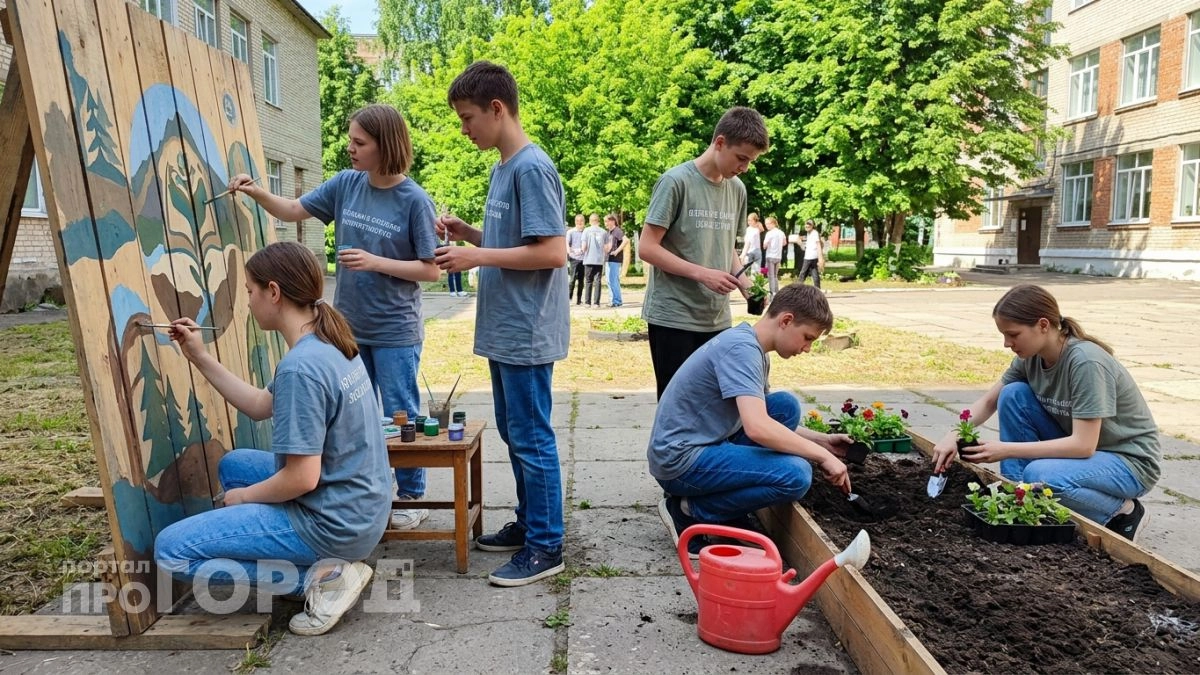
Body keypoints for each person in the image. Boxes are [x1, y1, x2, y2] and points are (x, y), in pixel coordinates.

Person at [154, 241, 391, 636]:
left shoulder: (302, 368)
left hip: (334, 522)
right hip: (361, 506)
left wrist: (241, 498)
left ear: (274, 292)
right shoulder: (328, 339)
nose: (248, 301)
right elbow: (261, 405)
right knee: (234, 465)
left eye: (250, 291)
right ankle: (318, 569)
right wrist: (198, 355)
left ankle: (322, 580)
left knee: (171, 551)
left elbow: (301, 479)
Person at [227, 104, 439, 533]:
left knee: (400, 413)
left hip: (396, 328)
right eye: (351, 140)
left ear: (387, 145)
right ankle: (370, 491)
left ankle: (412, 496)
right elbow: (291, 210)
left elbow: (432, 269)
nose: (351, 149)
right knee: (359, 417)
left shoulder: (414, 200)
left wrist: (376, 262)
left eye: (360, 143)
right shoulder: (346, 185)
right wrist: (256, 193)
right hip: (349, 326)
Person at [434, 60, 569, 586]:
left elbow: (553, 252)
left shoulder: (532, 168)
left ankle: (546, 545)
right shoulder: (502, 166)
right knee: (516, 433)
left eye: (468, 118)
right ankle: (531, 524)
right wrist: (470, 232)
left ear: (497, 109)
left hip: (527, 331)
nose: (464, 129)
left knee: (532, 438)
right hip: (505, 328)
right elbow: (515, 242)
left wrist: (477, 258)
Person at [931, 284, 1160, 541]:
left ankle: (1123, 512)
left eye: (1013, 334)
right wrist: (953, 434)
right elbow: (987, 403)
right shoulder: (1030, 357)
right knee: (1013, 394)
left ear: (1043, 325)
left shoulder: (1085, 362)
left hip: (1128, 462)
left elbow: (1083, 446)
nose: (1007, 343)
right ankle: (1020, 497)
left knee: (1040, 475)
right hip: (1087, 449)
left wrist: (1005, 449)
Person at [650, 284, 851, 556]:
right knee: (796, 474)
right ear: (786, 320)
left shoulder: (752, 346)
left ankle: (724, 513)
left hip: (702, 443)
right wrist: (821, 457)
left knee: (784, 406)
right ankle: (688, 511)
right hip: (680, 461)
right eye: (808, 338)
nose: (807, 348)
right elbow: (757, 428)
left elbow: (765, 418)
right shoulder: (741, 350)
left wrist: (824, 442)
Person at [639, 106, 770, 399]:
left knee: (713, 405)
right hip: (673, 317)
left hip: (717, 319)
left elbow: (728, 250)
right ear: (720, 143)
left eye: (751, 161)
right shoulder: (676, 182)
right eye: (741, 158)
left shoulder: (737, 189)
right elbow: (646, 247)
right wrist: (702, 274)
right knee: (678, 406)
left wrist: (748, 287)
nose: (745, 167)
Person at [581, 213, 607, 307]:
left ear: (590, 221)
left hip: (588, 259)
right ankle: (596, 303)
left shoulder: (586, 231)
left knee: (588, 281)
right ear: (598, 221)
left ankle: (587, 302)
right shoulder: (604, 232)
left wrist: (581, 251)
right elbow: (606, 248)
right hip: (599, 260)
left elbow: (584, 247)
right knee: (598, 281)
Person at [603, 213, 626, 307]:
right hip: (608, 259)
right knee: (609, 280)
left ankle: (617, 301)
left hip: (615, 260)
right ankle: (612, 300)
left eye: (606, 221)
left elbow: (626, 240)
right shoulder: (609, 232)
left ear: (612, 221)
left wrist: (617, 251)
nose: (605, 223)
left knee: (613, 280)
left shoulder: (617, 231)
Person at [762, 216, 786, 299]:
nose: (766, 226)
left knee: (771, 276)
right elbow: (784, 243)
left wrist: (767, 245)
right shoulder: (781, 233)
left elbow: (764, 246)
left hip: (770, 256)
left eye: (768, 224)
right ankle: (777, 292)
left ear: (773, 224)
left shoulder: (769, 233)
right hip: (778, 256)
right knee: (775, 275)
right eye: (766, 224)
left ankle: (772, 293)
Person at [567, 214, 586, 305]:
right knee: (572, 279)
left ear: (584, 222)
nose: (579, 222)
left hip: (584, 259)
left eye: (581, 221)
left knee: (581, 280)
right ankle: (569, 298)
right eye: (577, 221)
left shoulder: (586, 232)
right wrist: (571, 252)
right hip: (573, 258)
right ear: (575, 222)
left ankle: (579, 300)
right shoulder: (571, 232)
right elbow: (567, 244)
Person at [798, 219, 823, 288]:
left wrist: (821, 258)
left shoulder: (814, 233)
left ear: (813, 226)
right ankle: (817, 290)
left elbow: (818, 245)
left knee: (802, 273)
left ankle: (797, 290)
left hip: (810, 257)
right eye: (806, 224)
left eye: (809, 224)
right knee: (814, 273)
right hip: (811, 256)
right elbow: (807, 246)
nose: (807, 226)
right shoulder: (809, 234)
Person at [740, 213, 763, 278]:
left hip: (750, 251)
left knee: (744, 270)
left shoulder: (749, 230)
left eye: (750, 220)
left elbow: (747, 243)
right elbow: (762, 229)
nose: (749, 222)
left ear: (754, 220)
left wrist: (743, 255)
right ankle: (754, 285)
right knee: (756, 272)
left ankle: (747, 285)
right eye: (748, 220)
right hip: (757, 251)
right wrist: (757, 223)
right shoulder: (757, 229)